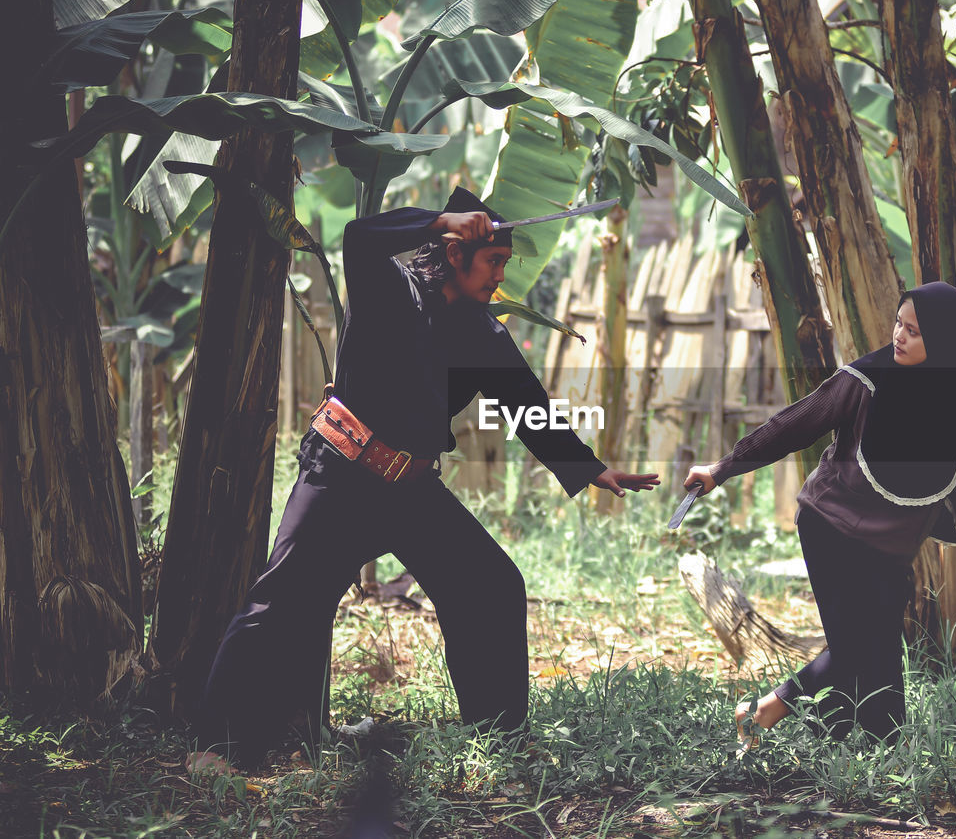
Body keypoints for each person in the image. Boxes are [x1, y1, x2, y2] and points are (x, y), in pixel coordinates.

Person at [196, 187, 658, 765]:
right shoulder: (389, 289)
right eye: (494, 261)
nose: (500, 276)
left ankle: (499, 739)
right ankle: (219, 748)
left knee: (491, 585)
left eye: (505, 264)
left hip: (412, 491)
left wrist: (590, 469)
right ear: (456, 251)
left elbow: (525, 405)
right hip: (340, 476)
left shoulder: (482, 333)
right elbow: (359, 237)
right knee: (282, 604)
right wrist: (440, 219)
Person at [684, 281, 956, 744]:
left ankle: (868, 750)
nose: (898, 335)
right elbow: (792, 426)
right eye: (899, 322)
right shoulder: (865, 380)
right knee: (855, 650)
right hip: (830, 529)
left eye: (913, 330)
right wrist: (722, 468)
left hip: (889, 548)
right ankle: (765, 710)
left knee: (882, 659)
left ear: (945, 341)